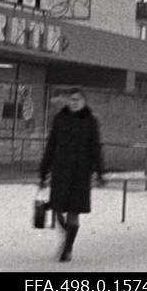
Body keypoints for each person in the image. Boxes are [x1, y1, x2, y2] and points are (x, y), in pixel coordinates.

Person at [39, 88, 105, 262]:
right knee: (57, 207)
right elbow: (51, 145)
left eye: (78, 99)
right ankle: (68, 236)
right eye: (72, 99)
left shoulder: (90, 121)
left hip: (80, 173)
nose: (74, 102)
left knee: (74, 211)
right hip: (61, 171)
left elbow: (95, 147)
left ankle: (67, 249)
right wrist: (44, 169)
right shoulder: (60, 119)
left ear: (84, 101)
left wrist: (100, 171)